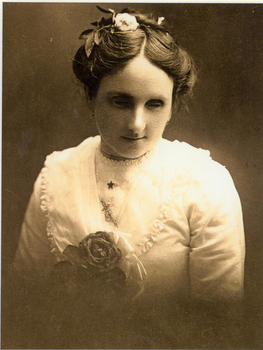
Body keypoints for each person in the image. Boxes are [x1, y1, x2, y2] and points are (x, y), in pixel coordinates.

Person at [11, 6, 245, 348]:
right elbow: (25, 299)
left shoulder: (206, 183)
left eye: (154, 104)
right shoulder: (55, 174)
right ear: (91, 98)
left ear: (173, 104)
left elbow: (220, 321)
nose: (137, 124)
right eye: (120, 102)